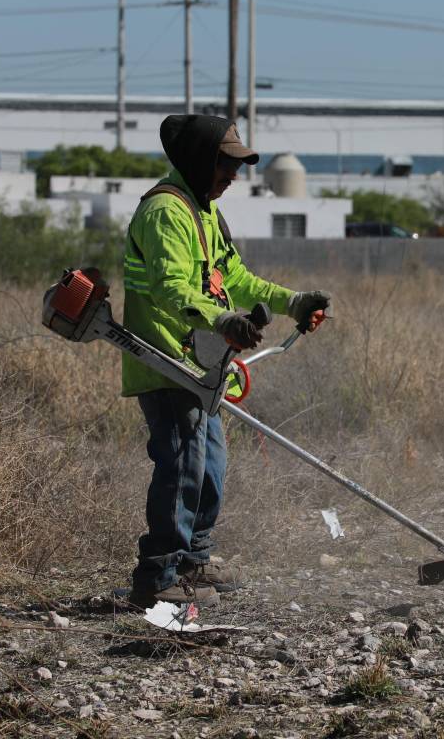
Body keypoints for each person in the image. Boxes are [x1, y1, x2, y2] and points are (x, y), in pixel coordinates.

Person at [120, 114, 330, 608]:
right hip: (165, 361)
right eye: (225, 166)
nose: (232, 177)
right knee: (182, 468)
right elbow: (173, 289)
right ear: (198, 160)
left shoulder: (205, 211)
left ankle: (193, 561)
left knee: (210, 464)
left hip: (200, 366)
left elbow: (236, 279)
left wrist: (293, 301)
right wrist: (221, 321)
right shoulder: (164, 212)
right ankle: (156, 576)